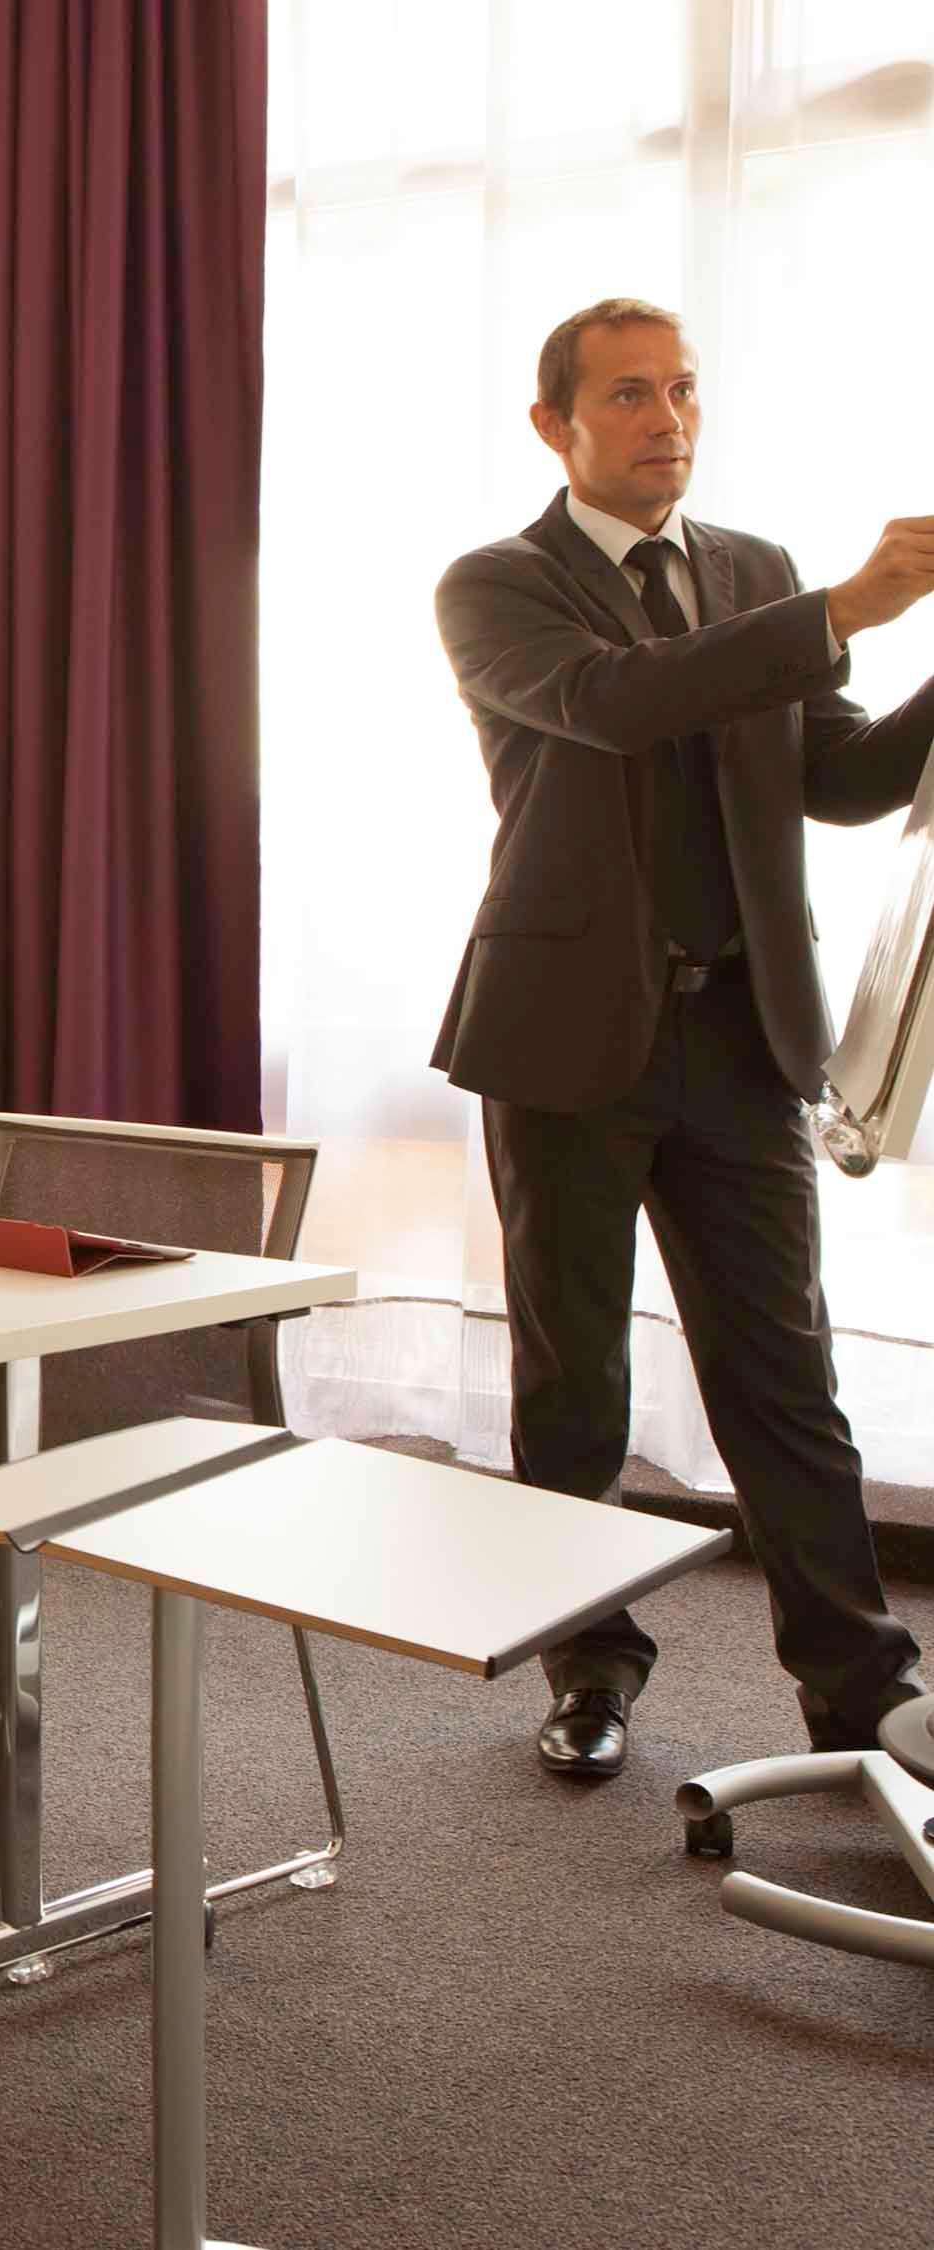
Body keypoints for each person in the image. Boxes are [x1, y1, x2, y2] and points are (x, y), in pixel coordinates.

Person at [432, 296, 934, 1777]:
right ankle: (591, 1667)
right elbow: (619, 702)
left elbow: (831, 779)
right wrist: (838, 613)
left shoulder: (756, 574)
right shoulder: (496, 586)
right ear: (556, 426)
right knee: (572, 1382)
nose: (670, 422)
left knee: (786, 1375)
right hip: (564, 1040)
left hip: (741, 1041)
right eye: (634, 396)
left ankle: (862, 1685)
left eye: (686, 393)